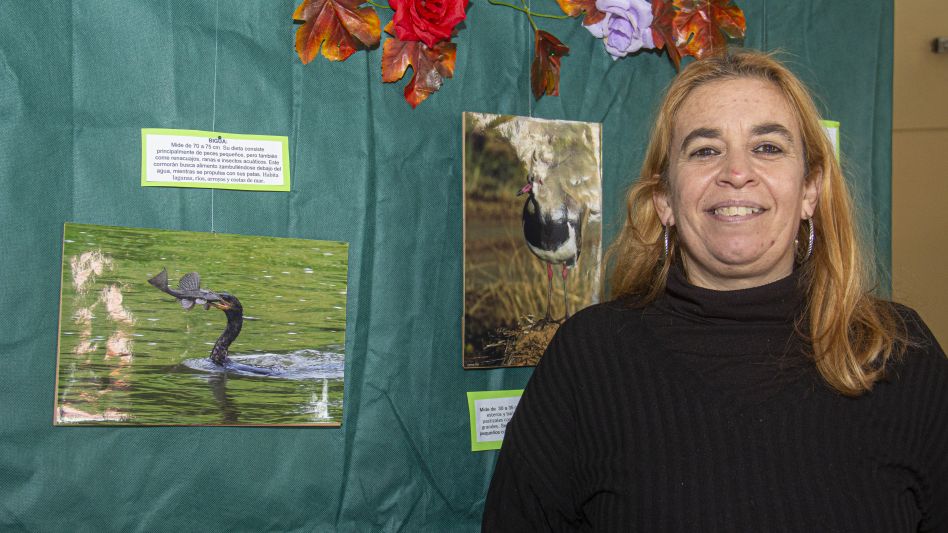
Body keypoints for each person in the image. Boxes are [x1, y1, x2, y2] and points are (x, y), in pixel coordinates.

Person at [482, 50, 947, 531]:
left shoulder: (898, 352)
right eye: (705, 150)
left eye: (768, 147)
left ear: (810, 190)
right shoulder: (590, 359)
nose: (737, 172)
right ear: (664, 198)